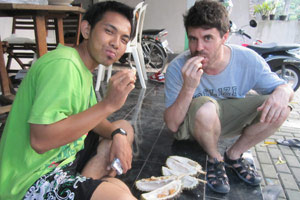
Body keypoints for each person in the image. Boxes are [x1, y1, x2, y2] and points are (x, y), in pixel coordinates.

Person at [0, 1, 138, 199]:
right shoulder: (63, 65)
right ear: (86, 29)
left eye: (124, 39)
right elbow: (40, 140)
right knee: (120, 195)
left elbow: (94, 120)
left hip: (63, 165)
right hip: (29, 182)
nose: (117, 43)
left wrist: (118, 134)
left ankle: (82, 185)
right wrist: (109, 104)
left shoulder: (81, 68)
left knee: (124, 128)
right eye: (109, 31)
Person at [164, 0, 294, 194]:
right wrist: (189, 87)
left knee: (281, 109)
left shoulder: (247, 60)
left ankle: (234, 155)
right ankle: (215, 159)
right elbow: (173, 125)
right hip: (194, 125)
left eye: (207, 38)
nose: (198, 47)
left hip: (226, 119)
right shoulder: (177, 67)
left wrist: (283, 92)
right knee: (206, 107)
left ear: (224, 37)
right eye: (193, 39)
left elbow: (284, 88)